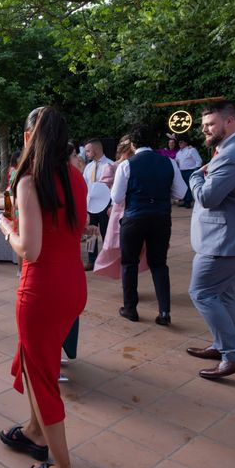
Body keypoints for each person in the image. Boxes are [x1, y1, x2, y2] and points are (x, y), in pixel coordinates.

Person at [0, 106, 87, 468]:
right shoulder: (75, 176)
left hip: (41, 291)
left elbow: (29, 249)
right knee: (35, 362)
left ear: (28, 138)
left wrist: (6, 229)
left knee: (43, 377)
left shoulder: (30, 181)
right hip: (72, 286)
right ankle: (34, 431)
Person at [111, 124, 186, 325]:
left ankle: (130, 309)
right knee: (159, 264)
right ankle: (164, 312)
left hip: (134, 218)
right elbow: (180, 193)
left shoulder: (127, 165)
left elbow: (116, 197)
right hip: (161, 218)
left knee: (129, 263)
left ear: (133, 144)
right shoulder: (169, 162)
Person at [187, 101, 235, 379]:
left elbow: (207, 197)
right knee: (226, 295)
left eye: (210, 124)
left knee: (202, 293)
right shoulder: (226, 151)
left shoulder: (230, 154)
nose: (204, 129)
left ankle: (230, 354)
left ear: (229, 122)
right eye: (204, 124)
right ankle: (223, 346)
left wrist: (196, 176)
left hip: (221, 241)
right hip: (227, 239)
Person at [93, 136, 148, 279]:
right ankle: (127, 279)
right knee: (118, 247)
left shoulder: (135, 164)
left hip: (132, 209)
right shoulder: (112, 167)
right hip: (118, 210)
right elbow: (104, 191)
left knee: (136, 248)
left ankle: (129, 279)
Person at [82, 139, 113, 270]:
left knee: (107, 233)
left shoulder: (111, 165)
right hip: (91, 205)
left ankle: (108, 260)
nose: (86, 153)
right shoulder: (88, 167)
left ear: (96, 149)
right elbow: (84, 186)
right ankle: (91, 260)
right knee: (91, 233)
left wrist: (112, 204)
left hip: (106, 205)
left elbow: (114, 187)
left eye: (88, 150)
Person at [175, 136, 203, 208]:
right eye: (179, 142)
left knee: (189, 187)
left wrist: (196, 170)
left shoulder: (191, 150)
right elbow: (177, 162)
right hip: (182, 171)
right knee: (184, 187)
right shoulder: (178, 152)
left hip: (190, 171)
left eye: (181, 142)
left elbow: (199, 160)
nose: (180, 143)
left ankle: (188, 202)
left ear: (186, 143)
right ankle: (185, 201)